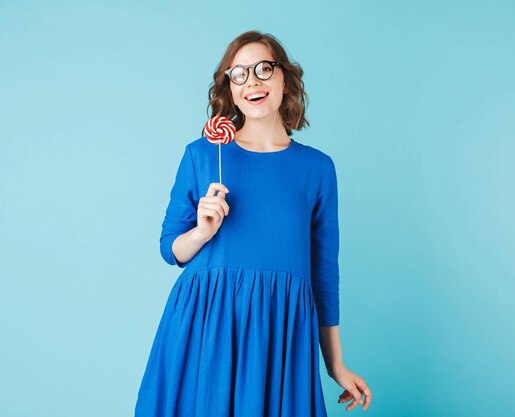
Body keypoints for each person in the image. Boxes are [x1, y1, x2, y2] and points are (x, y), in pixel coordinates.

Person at [135, 30, 372, 416]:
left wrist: (335, 366)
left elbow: (324, 275)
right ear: (229, 88)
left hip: (278, 331)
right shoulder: (201, 155)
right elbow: (170, 248)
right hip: (206, 325)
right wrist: (201, 232)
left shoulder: (318, 168)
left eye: (264, 68)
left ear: (286, 78)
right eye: (239, 73)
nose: (253, 82)